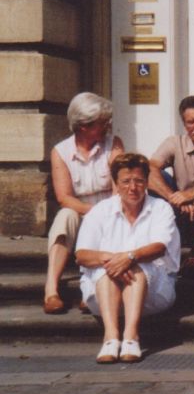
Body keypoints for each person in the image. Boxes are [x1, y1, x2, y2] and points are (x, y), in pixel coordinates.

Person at [75, 153, 180, 363]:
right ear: (116, 183)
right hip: (103, 296)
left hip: (153, 295)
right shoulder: (100, 211)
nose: (133, 187)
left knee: (137, 268)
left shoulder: (160, 208)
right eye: (126, 181)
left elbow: (159, 247)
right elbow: (82, 255)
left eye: (139, 180)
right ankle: (111, 337)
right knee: (107, 273)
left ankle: (131, 336)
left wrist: (130, 257)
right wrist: (114, 259)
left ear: (147, 182)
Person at [44, 92, 124, 314]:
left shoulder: (113, 145)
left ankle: (92, 291)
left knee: (113, 219)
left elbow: (120, 188)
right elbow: (64, 197)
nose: (108, 126)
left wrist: (103, 213)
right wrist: (92, 212)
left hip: (110, 208)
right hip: (79, 210)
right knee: (64, 218)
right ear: (83, 126)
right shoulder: (61, 151)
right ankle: (51, 290)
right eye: (102, 123)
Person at [148, 94, 194, 246]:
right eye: (190, 122)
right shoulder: (175, 143)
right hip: (180, 211)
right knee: (156, 174)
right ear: (184, 124)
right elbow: (149, 168)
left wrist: (192, 194)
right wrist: (174, 198)